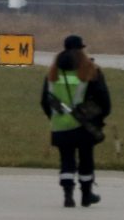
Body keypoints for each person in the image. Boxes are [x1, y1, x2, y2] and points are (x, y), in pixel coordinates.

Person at [39, 34, 112, 209]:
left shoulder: (52, 72)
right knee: (86, 159)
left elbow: (44, 100)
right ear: (81, 49)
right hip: (83, 125)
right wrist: (98, 119)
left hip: (60, 125)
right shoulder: (91, 70)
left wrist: (55, 118)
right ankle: (86, 195)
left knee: (66, 160)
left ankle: (68, 196)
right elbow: (104, 101)